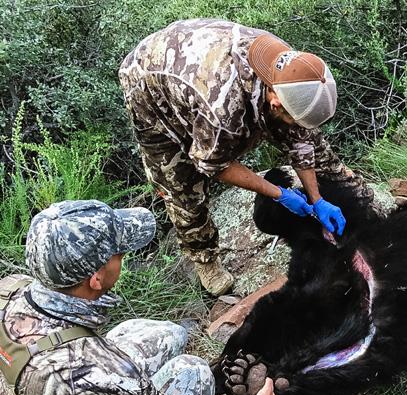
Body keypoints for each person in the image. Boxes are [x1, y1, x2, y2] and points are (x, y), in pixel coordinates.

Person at [0, 200, 280, 395]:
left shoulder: (9, 288)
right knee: (193, 371)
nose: (123, 256)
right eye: (119, 253)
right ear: (96, 279)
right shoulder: (88, 369)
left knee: (170, 335)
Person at [119, 19, 374, 296]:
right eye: (290, 116)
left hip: (194, 57)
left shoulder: (294, 71)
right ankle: (204, 258)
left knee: (310, 142)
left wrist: (317, 199)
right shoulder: (222, 112)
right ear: (275, 101)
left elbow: (300, 139)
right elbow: (213, 165)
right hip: (150, 86)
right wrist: (279, 194)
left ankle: (358, 197)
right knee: (181, 186)